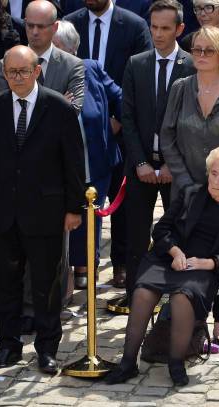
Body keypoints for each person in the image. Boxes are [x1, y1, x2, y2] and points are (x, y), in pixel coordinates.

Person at [105, 144, 219, 386]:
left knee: (182, 296)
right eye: (214, 173)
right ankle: (127, 362)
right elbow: (161, 229)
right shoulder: (190, 194)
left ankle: (176, 363)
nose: (216, 180)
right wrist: (175, 252)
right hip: (170, 259)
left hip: (206, 269)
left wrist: (210, 263)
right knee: (143, 292)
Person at [0, 45, 84, 374]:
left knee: (46, 285)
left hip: (46, 211)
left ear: (37, 71)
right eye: (11, 72)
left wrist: (73, 208)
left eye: (24, 71)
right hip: (2, 211)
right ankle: (8, 346)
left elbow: (73, 163)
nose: (18, 78)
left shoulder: (59, 108)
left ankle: (47, 349)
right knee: (5, 285)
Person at [161, 25, 219, 345]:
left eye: (206, 50)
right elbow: (167, 137)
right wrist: (186, 182)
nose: (198, 55)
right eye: (195, 49)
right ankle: (190, 322)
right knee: (187, 257)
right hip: (186, 190)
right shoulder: (181, 88)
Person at [64, 0, 153, 286]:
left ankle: (122, 264)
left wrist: (117, 117)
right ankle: (80, 265)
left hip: (121, 125)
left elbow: (140, 76)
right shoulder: (69, 22)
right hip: (84, 131)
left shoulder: (134, 25)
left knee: (121, 200)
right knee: (87, 199)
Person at [122, 0, 196, 304]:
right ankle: (135, 295)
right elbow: (127, 117)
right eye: (153, 27)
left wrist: (171, 165)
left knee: (179, 232)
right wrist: (140, 162)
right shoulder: (136, 64)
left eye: (165, 28)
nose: (158, 34)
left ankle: (177, 295)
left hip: (176, 168)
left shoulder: (192, 65)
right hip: (140, 165)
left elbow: (190, 123)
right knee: (136, 234)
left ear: (179, 28)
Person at [0, 0, 84, 113]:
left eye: (41, 27)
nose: (35, 32)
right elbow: (1, 110)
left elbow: (72, 111)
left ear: (55, 27)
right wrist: (59, 102)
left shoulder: (72, 65)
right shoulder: (6, 64)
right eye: (30, 25)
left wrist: (23, 108)